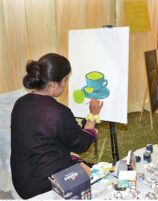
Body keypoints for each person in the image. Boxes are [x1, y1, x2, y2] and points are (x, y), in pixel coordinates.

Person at [10, 53, 102, 199]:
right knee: (97, 176)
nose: (66, 84)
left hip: (22, 180)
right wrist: (93, 115)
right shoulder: (58, 113)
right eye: (65, 79)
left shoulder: (21, 103)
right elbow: (82, 144)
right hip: (42, 185)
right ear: (53, 84)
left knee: (76, 159)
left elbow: (41, 136)